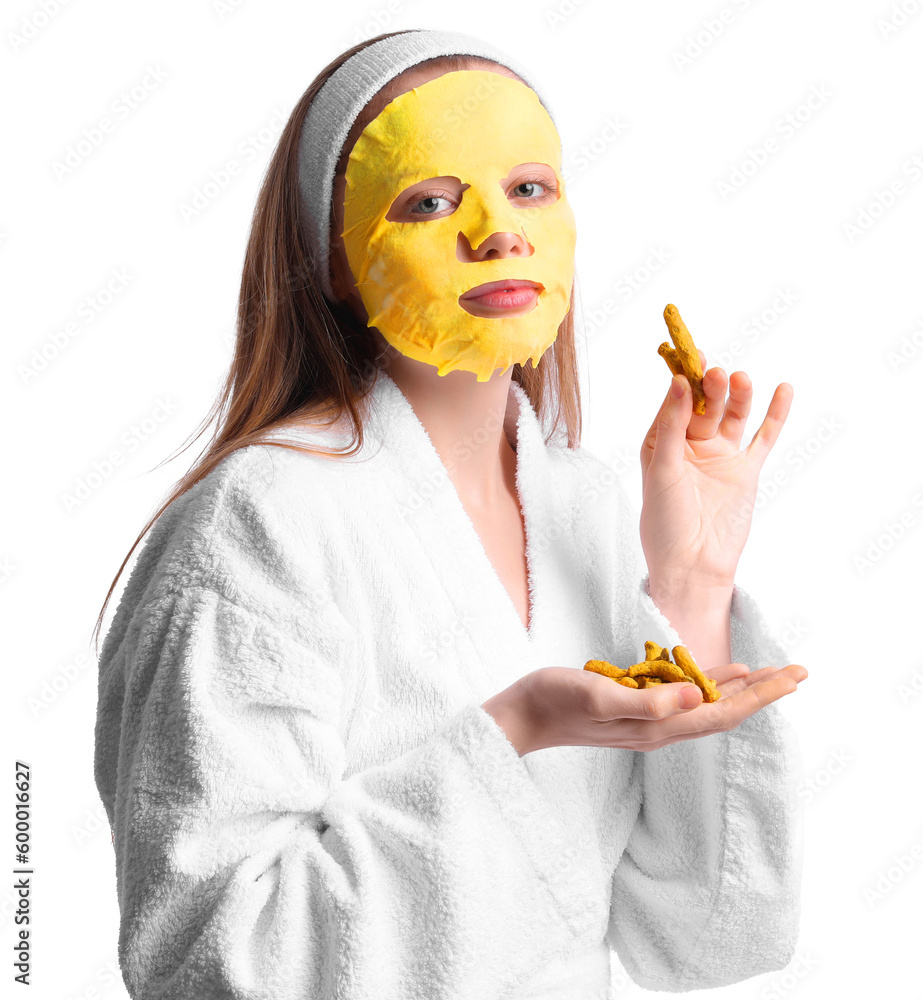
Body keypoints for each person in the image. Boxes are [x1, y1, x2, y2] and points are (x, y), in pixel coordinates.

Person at [92, 27, 808, 1000]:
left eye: (527, 188)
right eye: (429, 200)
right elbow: (205, 961)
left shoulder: (584, 509)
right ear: (336, 258)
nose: (497, 231)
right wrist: (517, 725)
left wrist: (691, 584)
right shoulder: (256, 526)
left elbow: (703, 938)